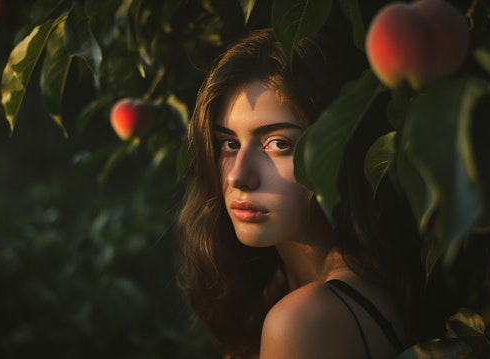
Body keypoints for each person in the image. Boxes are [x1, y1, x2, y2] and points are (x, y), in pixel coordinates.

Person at [177, 28, 420, 359]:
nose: (238, 175)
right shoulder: (369, 289)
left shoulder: (304, 320)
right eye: (228, 144)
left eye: (278, 144)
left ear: (339, 150)